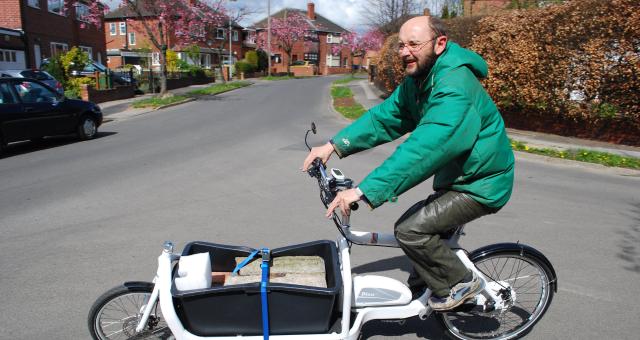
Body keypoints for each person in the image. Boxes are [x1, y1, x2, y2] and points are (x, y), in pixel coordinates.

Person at [302, 16, 514, 311]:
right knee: (419, 233)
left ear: (440, 44)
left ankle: (462, 284)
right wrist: (333, 145)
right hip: (458, 179)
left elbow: (425, 148)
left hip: (481, 184)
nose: (404, 51)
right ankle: (423, 293)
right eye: (401, 45)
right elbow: (385, 118)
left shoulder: (454, 85)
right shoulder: (421, 80)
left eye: (414, 44)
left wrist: (363, 191)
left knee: (411, 230)